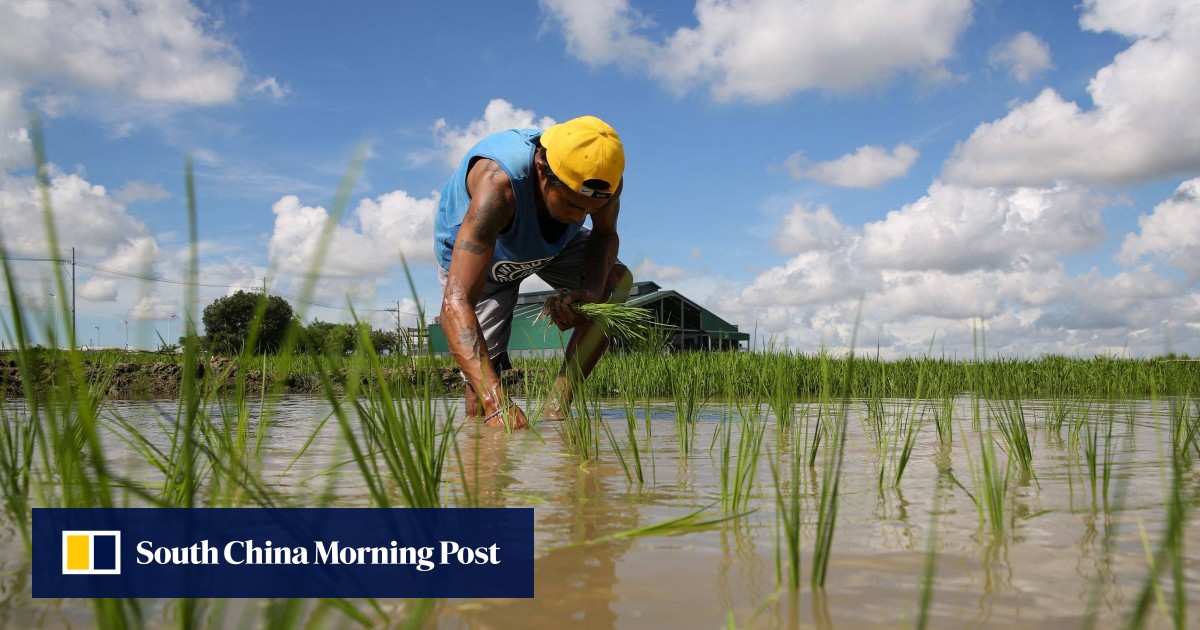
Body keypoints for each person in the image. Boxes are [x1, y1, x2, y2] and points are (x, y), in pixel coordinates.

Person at [434, 115, 633, 429]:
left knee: (616, 283)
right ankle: (482, 446)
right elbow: (456, 305)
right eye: (572, 204)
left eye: (590, 210)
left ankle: (556, 412)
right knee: (481, 387)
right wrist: (496, 404)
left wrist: (591, 295)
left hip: (552, 243)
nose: (580, 217)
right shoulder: (498, 185)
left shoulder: (604, 181)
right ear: (543, 171)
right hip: (490, 248)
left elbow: (604, 235)